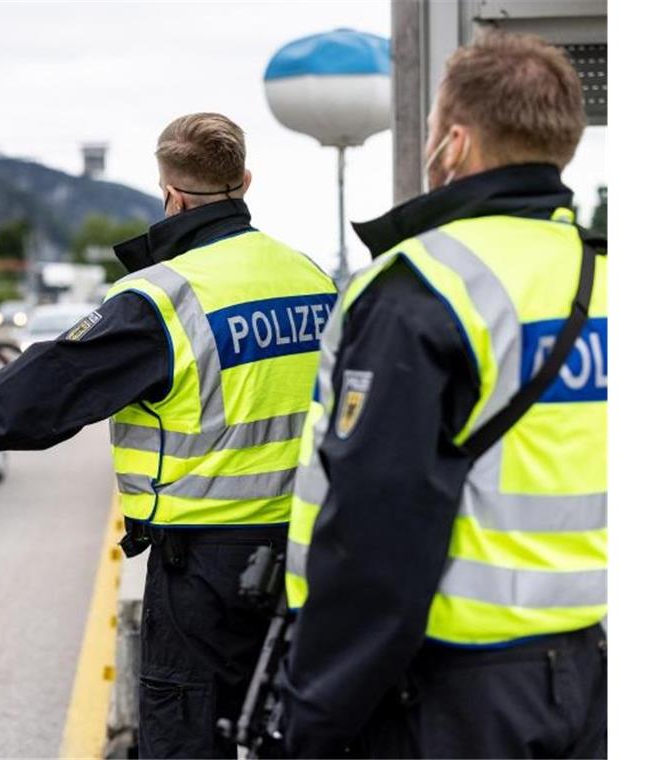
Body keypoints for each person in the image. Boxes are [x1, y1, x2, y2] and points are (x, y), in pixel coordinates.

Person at [0, 112, 337, 757]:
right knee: (286, 729)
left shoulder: (162, 297)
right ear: (245, 181)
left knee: (189, 738)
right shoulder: (311, 278)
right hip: (305, 551)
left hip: (204, 572)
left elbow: (52, 388)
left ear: (170, 193)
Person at [271, 30, 607, 758]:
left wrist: (313, 715)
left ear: (453, 143)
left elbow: (375, 528)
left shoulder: (420, 286)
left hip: (462, 692)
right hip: (596, 672)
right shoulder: (608, 278)